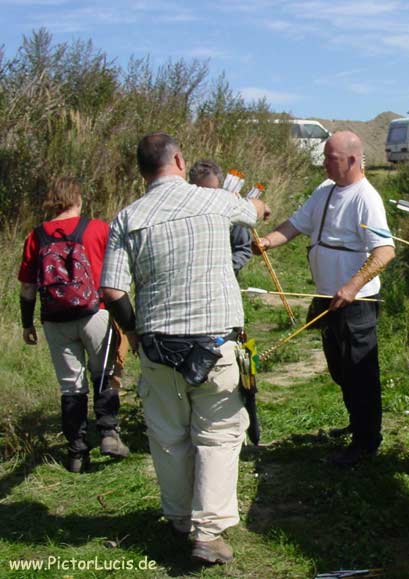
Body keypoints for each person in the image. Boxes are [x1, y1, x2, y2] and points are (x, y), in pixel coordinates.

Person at [100, 133, 271, 565]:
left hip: (157, 346)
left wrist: (133, 331)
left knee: (169, 437)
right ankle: (208, 533)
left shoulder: (127, 218)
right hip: (215, 343)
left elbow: (112, 288)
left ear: (141, 169)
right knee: (217, 436)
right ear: (178, 159)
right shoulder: (213, 201)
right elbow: (255, 212)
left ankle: (179, 519)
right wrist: (257, 207)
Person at [257, 131, 395, 467]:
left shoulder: (366, 198)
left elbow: (385, 251)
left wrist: (351, 286)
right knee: (340, 368)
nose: (323, 163)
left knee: (360, 372)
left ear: (350, 160)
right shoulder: (324, 190)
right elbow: (295, 225)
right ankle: (357, 423)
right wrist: (268, 241)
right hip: (326, 299)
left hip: (356, 303)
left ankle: (366, 442)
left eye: (329, 158)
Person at [18, 176, 130, 474]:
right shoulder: (96, 229)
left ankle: (77, 452)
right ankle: (108, 434)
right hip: (95, 313)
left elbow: (27, 288)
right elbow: (118, 272)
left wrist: (27, 323)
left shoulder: (36, 236)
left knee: (71, 387)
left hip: (55, 320)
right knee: (103, 374)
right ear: (77, 198)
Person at [188, 159, 253, 277]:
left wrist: (224, 268)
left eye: (211, 191)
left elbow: (243, 249)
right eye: (200, 190)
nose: (206, 196)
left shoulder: (232, 212)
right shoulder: (181, 209)